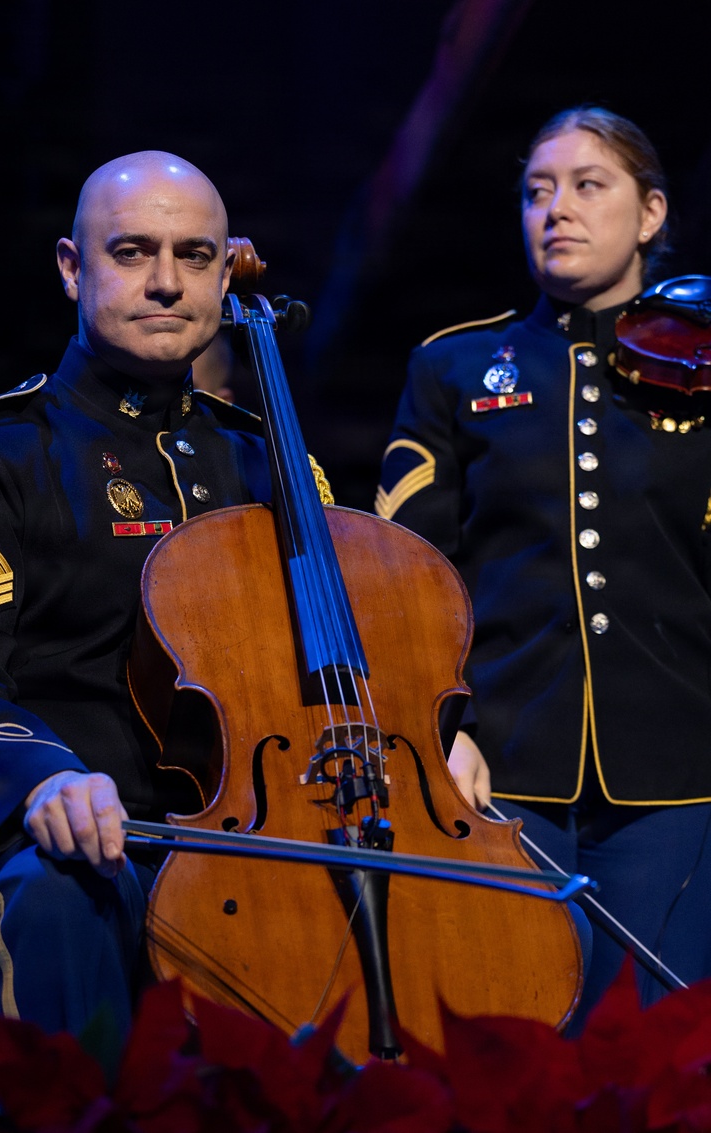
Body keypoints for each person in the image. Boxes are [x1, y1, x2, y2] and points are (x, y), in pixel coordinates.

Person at [0, 151, 274, 1042]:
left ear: (226, 269)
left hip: (236, 849)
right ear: (71, 267)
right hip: (18, 850)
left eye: (196, 256)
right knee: (70, 890)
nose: (166, 282)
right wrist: (39, 777)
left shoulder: (268, 463)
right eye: (131, 252)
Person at [376, 106, 711, 1022]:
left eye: (586, 186)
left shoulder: (706, 363)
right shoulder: (456, 365)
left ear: (650, 215)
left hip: (681, 762)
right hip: (503, 762)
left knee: (656, 1043)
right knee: (520, 1030)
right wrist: (435, 722)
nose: (555, 209)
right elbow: (406, 572)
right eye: (537, 191)